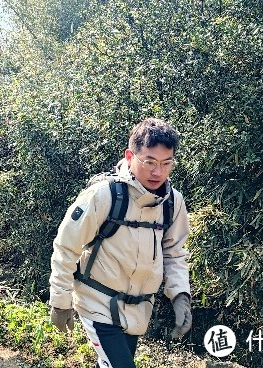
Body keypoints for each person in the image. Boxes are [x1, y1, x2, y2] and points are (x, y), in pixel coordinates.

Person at [48, 118, 192, 368]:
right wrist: (61, 302)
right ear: (130, 155)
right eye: (149, 162)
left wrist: (180, 296)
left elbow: (174, 253)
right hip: (98, 303)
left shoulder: (172, 203)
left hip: (138, 309)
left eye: (166, 164)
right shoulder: (104, 195)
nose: (158, 172)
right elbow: (66, 246)